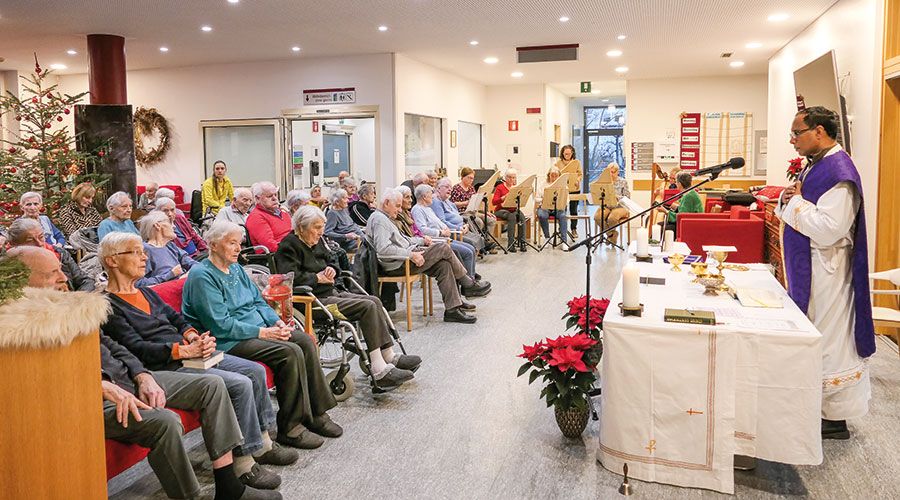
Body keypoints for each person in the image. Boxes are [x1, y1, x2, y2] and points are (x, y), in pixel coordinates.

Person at [5, 246, 278, 500]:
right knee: (167, 420)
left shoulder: (70, 307)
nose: (65, 276)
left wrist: (142, 375)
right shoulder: (17, 330)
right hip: (91, 399)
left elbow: (115, 346)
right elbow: (46, 381)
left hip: (134, 377)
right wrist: (100, 384)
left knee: (214, 386)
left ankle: (229, 483)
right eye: (53, 272)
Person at [99, 232, 297, 488]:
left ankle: (263, 443)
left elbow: (177, 319)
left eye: (143, 251)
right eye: (135, 252)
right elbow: (134, 348)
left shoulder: (146, 293)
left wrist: (194, 337)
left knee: (252, 372)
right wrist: (182, 351)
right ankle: (244, 462)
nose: (144, 257)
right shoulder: (107, 305)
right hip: (165, 364)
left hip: (190, 355)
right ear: (112, 261)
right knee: (238, 383)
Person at [183, 220, 342, 450]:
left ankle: (316, 414)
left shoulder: (236, 268)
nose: (239, 248)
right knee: (289, 352)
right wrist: (264, 332)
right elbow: (220, 325)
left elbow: (258, 301)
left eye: (239, 243)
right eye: (232, 243)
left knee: (305, 340)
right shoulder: (202, 276)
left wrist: (278, 322)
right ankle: (290, 428)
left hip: (256, 329)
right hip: (228, 340)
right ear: (214, 245)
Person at [776, 106, 876, 440]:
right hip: (813, 267)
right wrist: (788, 199)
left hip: (828, 271)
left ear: (818, 131)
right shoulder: (817, 165)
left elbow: (831, 229)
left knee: (829, 340)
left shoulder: (839, 171)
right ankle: (812, 406)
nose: (792, 141)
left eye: (796, 133)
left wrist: (795, 204)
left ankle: (833, 416)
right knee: (814, 334)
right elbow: (798, 205)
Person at [275, 205, 421, 387]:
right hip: (313, 302)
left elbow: (332, 261)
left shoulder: (317, 241)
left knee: (374, 301)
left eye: (322, 227)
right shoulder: (288, 246)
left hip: (331, 293)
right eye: (317, 227)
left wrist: (332, 270)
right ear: (301, 227)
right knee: (366, 307)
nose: (321, 232)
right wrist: (316, 278)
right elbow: (288, 278)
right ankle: (378, 368)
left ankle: (388, 355)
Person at [365, 189, 489, 323]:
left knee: (444, 265)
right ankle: (468, 283)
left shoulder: (385, 218)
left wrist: (422, 240)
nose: (400, 210)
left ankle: (453, 308)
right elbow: (383, 249)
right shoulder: (379, 220)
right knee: (443, 248)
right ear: (387, 203)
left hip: (406, 257)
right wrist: (411, 254)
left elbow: (404, 239)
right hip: (399, 264)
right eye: (398, 206)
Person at [412, 184, 486, 287]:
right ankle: (469, 285)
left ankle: (471, 279)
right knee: (467, 252)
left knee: (471, 249)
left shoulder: (428, 208)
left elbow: (440, 223)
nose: (433, 196)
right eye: (430, 194)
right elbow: (422, 229)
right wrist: (441, 232)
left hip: (444, 237)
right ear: (424, 196)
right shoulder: (417, 209)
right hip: (437, 241)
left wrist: (448, 229)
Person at [6, 217, 93, 291]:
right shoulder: (10, 265)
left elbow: (85, 281)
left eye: (41, 237)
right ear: (15, 245)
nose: (40, 243)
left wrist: (76, 300)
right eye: (30, 240)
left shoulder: (59, 253)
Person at [136, 211, 196, 287]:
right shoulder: (145, 250)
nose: (174, 226)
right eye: (170, 222)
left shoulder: (170, 245)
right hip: (164, 293)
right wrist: (170, 274)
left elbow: (192, 263)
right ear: (157, 225)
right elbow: (138, 283)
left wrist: (192, 271)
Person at [431, 177, 486, 253]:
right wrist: (459, 228)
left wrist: (465, 225)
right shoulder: (436, 202)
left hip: (461, 229)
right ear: (438, 188)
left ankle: (483, 248)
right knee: (473, 244)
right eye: (447, 187)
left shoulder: (447, 200)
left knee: (479, 238)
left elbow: (458, 215)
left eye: (450, 187)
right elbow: (442, 222)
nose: (450, 189)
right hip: (453, 232)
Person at [246, 182, 292, 253]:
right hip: (275, 255)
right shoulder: (256, 217)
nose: (275, 198)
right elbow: (270, 245)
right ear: (257, 198)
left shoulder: (284, 213)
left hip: (290, 250)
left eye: (275, 195)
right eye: (269, 196)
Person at [450, 167, 496, 237]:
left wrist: (485, 212)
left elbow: (476, 203)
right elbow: (452, 204)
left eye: (472, 178)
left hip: (473, 212)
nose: (471, 180)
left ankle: (488, 242)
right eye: (469, 178)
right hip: (462, 213)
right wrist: (465, 203)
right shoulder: (456, 188)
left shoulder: (471, 188)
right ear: (463, 177)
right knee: (479, 222)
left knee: (491, 220)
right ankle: (478, 242)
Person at [592, 162, 631, 243]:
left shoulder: (623, 181)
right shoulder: (604, 182)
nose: (611, 174)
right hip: (607, 205)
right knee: (597, 217)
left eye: (613, 172)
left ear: (617, 172)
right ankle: (611, 234)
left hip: (620, 206)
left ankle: (611, 236)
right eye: (609, 172)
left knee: (612, 218)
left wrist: (617, 197)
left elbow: (627, 197)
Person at [492, 168, 526, 253]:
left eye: (514, 177)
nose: (512, 179)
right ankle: (511, 244)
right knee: (512, 217)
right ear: (505, 178)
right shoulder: (500, 187)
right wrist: (503, 198)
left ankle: (522, 242)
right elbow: (494, 202)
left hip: (513, 209)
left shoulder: (516, 188)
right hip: (500, 210)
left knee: (522, 217)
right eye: (510, 177)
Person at [658, 172, 702, 236]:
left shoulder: (688, 196)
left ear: (680, 184)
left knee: (660, 229)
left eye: (676, 182)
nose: (676, 184)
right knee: (660, 225)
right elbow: (684, 210)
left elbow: (681, 217)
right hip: (689, 222)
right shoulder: (690, 193)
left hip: (690, 226)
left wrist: (665, 211)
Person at [555, 145, 583, 239]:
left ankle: (574, 229)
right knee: (562, 210)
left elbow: (580, 174)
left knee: (573, 210)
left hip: (574, 189)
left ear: (572, 153)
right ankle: (561, 229)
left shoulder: (576, 162)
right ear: (562, 153)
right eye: (565, 153)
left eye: (569, 154)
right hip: (562, 190)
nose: (567, 155)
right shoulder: (558, 163)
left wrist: (578, 180)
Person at [535, 167, 568, 246]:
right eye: (552, 175)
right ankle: (547, 238)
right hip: (545, 207)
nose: (553, 177)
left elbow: (567, 200)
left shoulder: (563, 186)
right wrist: (543, 200)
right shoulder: (543, 184)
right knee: (542, 215)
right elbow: (536, 198)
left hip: (558, 208)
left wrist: (561, 202)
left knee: (563, 216)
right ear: (548, 175)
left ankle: (564, 241)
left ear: (559, 176)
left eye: (556, 175)